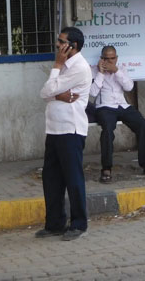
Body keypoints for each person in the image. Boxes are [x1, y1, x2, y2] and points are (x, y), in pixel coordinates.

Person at [35, 26, 92, 241]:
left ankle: (79, 224)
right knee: (51, 178)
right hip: (54, 128)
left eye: (61, 41)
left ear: (72, 46)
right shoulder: (64, 67)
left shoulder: (78, 67)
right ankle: (55, 223)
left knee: (73, 178)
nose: (57, 45)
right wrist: (57, 95)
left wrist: (57, 67)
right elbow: (46, 93)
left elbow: (48, 90)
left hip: (71, 129)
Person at [90, 46, 145, 183]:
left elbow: (129, 87)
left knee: (142, 125)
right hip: (105, 107)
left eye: (112, 58)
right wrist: (101, 73)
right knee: (107, 131)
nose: (109, 61)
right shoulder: (94, 71)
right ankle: (106, 169)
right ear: (101, 59)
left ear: (116, 58)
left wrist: (116, 71)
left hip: (122, 105)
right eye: (106, 58)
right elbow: (93, 93)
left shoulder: (121, 69)